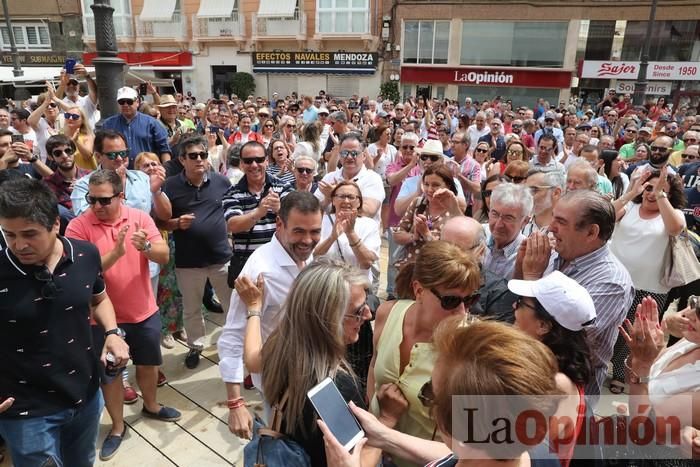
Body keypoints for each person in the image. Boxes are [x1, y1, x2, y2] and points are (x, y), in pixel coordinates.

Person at [0, 177, 129, 467]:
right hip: (24, 411)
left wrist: (112, 332)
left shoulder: (86, 254)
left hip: (84, 395)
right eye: (9, 235)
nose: (19, 245)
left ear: (55, 224)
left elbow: (99, 299)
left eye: (29, 234)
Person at [65, 169, 180, 460]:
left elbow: (164, 255)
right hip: (100, 320)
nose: (96, 206)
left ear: (120, 196)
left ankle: (151, 406)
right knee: (110, 375)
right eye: (92, 199)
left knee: (149, 364)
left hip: (142, 311)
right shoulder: (78, 226)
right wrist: (116, 253)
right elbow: (78, 273)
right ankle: (117, 427)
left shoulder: (139, 217)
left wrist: (148, 248)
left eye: (104, 200)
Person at [238, 258, 380, 467]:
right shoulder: (333, 388)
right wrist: (387, 419)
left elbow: (252, 360)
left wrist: (254, 308)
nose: (368, 315)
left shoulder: (282, 345)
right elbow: (356, 461)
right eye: (358, 311)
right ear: (328, 319)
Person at [218, 191, 323, 439]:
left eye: (315, 231)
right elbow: (232, 336)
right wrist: (235, 403)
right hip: (279, 384)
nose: (308, 240)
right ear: (279, 224)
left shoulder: (305, 256)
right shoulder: (260, 271)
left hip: (311, 372)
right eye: (298, 231)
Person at [368, 241, 481, 465]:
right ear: (419, 290)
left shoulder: (469, 348)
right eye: (450, 300)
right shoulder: (387, 313)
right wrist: (376, 422)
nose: (462, 311)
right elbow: (373, 366)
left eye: (469, 300)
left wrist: (387, 434)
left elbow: (464, 448)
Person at [516, 189, 635, 398]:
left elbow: (560, 340)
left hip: (567, 392)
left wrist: (532, 274)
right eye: (553, 217)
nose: (551, 228)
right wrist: (521, 263)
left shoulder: (611, 282)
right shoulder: (556, 254)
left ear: (591, 233)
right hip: (530, 370)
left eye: (561, 221)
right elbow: (521, 298)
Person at [608, 167, 686, 393]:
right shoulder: (629, 208)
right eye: (649, 188)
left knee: (635, 334)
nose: (652, 193)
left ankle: (622, 374)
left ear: (670, 195)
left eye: (661, 190)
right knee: (609, 328)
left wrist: (661, 194)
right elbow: (604, 215)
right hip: (615, 282)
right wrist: (631, 193)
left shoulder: (674, 214)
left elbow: (675, 229)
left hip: (650, 288)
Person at [509, 271, 596, 467]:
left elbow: (516, 450)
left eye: (521, 303)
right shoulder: (543, 369)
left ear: (543, 326)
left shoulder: (556, 383)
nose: (514, 306)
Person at [162, 136, 234, 369]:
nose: (200, 160)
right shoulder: (170, 186)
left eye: (203, 155)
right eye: (193, 156)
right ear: (182, 159)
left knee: (232, 306)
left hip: (221, 257)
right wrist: (175, 223)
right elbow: (159, 221)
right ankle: (195, 345)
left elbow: (234, 209)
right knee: (192, 309)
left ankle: (234, 344)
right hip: (188, 261)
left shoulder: (221, 182)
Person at [619, 296, 700, 466]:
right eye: (695, 302)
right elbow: (634, 380)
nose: (691, 314)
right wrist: (643, 348)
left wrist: (642, 364)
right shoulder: (691, 341)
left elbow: (641, 430)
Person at [71, 129, 172, 221]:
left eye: (123, 153)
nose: (119, 158)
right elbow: (84, 220)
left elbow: (166, 216)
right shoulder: (83, 185)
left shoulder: (143, 178)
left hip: (141, 238)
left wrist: (156, 192)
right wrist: (117, 186)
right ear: (98, 156)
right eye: (112, 155)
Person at [223, 140, 293, 265]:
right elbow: (233, 225)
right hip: (248, 266)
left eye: (259, 160)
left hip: (281, 263)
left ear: (266, 160)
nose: (254, 165)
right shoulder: (232, 193)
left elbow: (296, 221)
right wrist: (258, 213)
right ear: (241, 164)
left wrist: (280, 210)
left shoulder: (284, 187)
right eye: (248, 161)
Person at [393, 165, 462, 266]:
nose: (429, 189)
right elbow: (397, 235)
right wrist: (413, 236)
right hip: (410, 269)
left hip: (436, 272)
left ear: (448, 186)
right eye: (426, 184)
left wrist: (426, 234)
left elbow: (451, 252)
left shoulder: (454, 211)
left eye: (435, 185)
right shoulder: (418, 203)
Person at [314, 181, 380, 282]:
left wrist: (351, 234)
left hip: (356, 287)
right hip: (324, 284)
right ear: (333, 200)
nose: (346, 201)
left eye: (351, 197)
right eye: (341, 196)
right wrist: (332, 238)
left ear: (359, 202)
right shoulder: (321, 221)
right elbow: (313, 257)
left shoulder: (369, 225)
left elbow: (366, 263)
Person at [317, 133, 385, 222]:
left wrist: (336, 194)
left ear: (364, 156)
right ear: (340, 156)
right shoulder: (329, 177)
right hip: (330, 233)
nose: (349, 157)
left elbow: (369, 211)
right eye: (345, 153)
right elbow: (311, 209)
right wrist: (327, 200)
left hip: (361, 234)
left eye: (354, 153)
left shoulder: (372, 178)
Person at [101, 87, 171, 167]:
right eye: (121, 102)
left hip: (147, 172)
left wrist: (166, 171)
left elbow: (164, 149)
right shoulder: (108, 124)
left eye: (129, 102)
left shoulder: (152, 123)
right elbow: (101, 151)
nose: (125, 105)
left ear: (137, 102)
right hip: (117, 172)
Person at [483, 183, 532, 280]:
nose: (498, 224)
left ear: (525, 221)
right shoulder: (477, 235)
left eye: (508, 218)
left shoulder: (527, 256)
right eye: (495, 214)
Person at [42, 134, 90, 231]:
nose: (64, 156)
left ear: (74, 152)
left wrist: (84, 190)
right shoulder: (47, 184)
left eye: (68, 151)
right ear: (51, 157)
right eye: (58, 153)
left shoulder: (90, 176)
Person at [522, 169, 565, 235]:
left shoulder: (566, 229)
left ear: (556, 193)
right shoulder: (520, 224)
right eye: (526, 191)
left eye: (534, 190)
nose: (528, 196)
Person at [62, 105, 96, 170]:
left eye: (75, 117)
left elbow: (88, 156)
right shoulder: (60, 135)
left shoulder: (88, 135)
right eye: (67, 115)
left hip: (86, 175)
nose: (70, 118)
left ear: (82, 120)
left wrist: (76, 141)